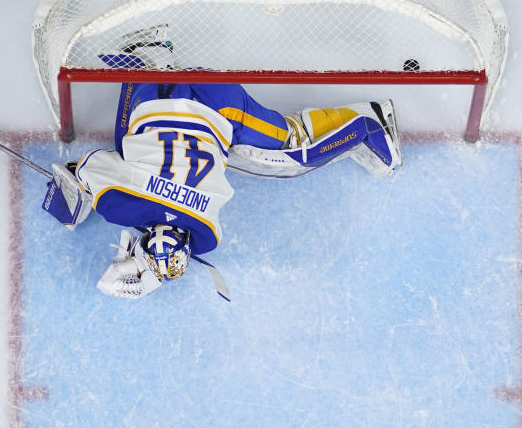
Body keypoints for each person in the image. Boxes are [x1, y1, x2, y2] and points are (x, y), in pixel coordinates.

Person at [41, 25, 402, 299]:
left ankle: (369, 126)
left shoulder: (209, 226)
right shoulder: (118, 203)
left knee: (288, 150)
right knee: (125, 145)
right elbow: (85, 168)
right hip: (173, 98)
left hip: (217, 102)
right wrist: (74, 196)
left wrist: (149, 264)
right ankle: (146, 61)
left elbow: (170, 223)